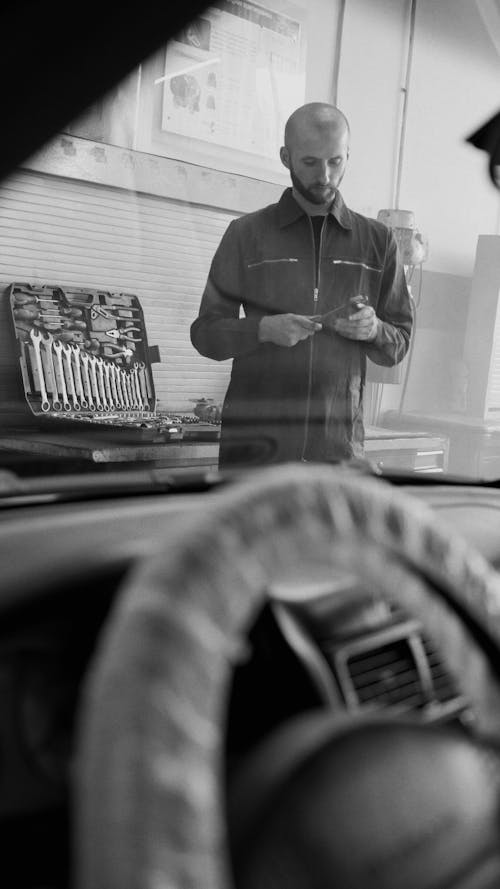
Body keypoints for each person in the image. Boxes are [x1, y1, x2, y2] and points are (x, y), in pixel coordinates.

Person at [190, 102, 412, 467]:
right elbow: (205, 334)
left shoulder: (377, 241)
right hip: (254, 454)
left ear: (347, 157)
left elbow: (398, 343)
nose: (324, 175)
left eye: (335, 162)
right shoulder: (246, 235)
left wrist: (374, 330)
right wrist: (261, 329)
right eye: (310, 162)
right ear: (285, 157)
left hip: (337, 452)